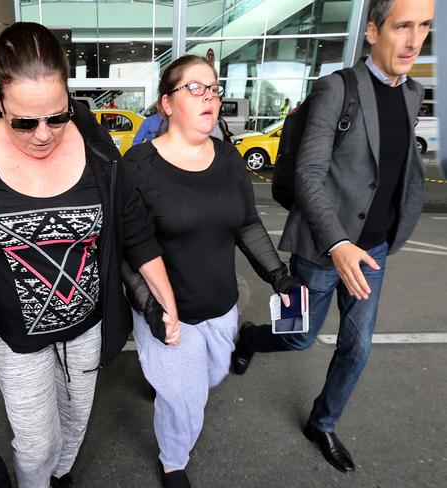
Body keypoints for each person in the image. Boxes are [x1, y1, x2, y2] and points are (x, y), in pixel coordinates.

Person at [0, 22, 178, 488]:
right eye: (25, 121)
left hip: (87, 327)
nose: (44, 134)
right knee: (36, 444)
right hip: (15, 336)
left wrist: (167, 302)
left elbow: (136, 232)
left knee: (75, 426)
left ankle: (59, 478)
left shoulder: (99, 150)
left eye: (57, 117)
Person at [232, 0, 434, 473]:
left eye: (424, 27)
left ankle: (323, 423)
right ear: (371, 31)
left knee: (357, 345)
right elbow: (308, 174)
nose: (413, 39)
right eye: (402, 26)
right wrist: (338, 243)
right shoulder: (335, 89)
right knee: (299, 337)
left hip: (374, 251)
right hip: (324, 250)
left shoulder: (413, 93)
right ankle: (249, 338)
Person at [122, 55, 297, 488]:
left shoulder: (229, 158)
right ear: (166, 103)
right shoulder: (138, 167)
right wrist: (149, 308)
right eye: (195, 88)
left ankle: (166, 386)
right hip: (169, 313)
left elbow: (248, 223)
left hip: (221, 305)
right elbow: (126, 251)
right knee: (185, 400)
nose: (210, 97)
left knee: (212, 375)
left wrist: (279, 276)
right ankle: (172, 461)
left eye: (214, 89)